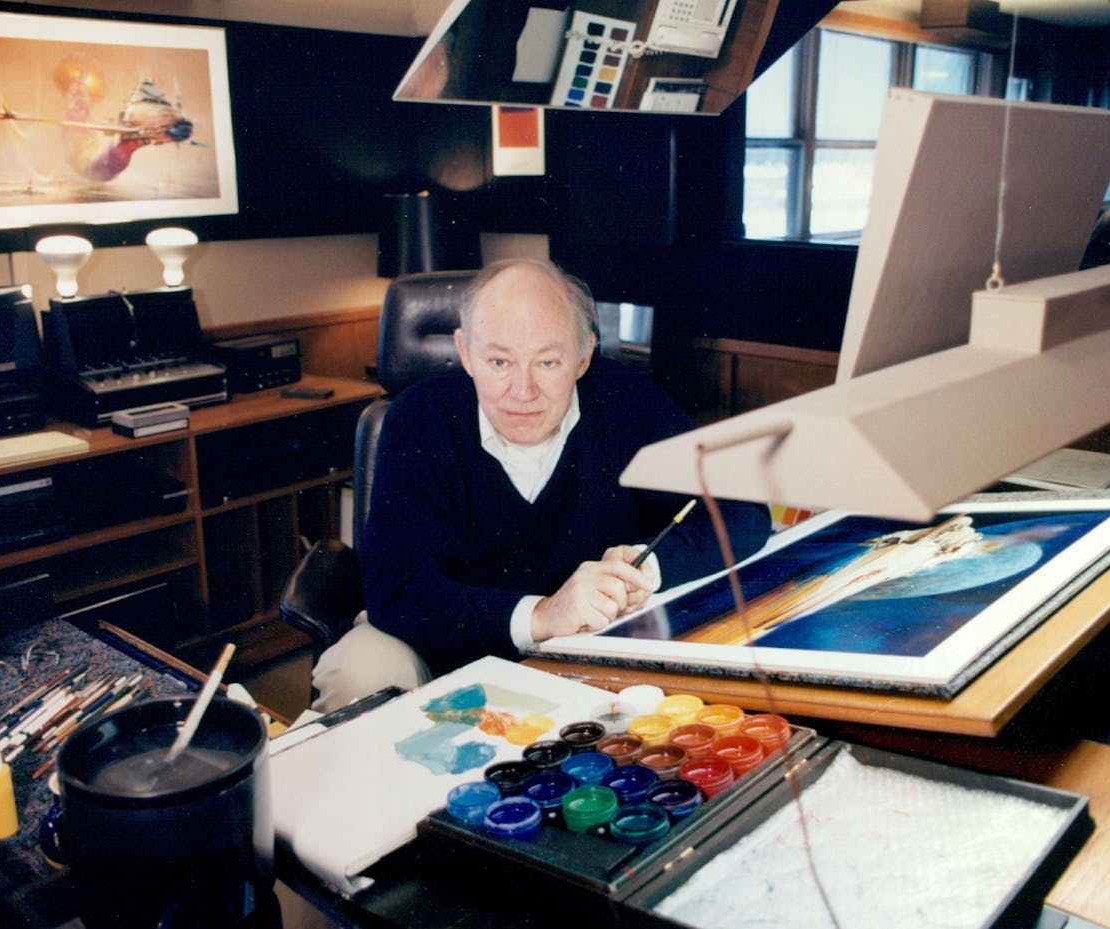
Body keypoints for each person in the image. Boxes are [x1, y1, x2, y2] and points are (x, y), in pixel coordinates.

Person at [310, 258, 773, 710]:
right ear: (466, 352)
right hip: (439, 645)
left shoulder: (629, 401)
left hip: (588, 646)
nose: (523, 390)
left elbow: (742, 511)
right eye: (499, 361)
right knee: (356, 673)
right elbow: (398, 588)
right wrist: (541, 615)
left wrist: (646, 566)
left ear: (583, 354)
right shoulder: (418, 419)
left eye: (548, 362)